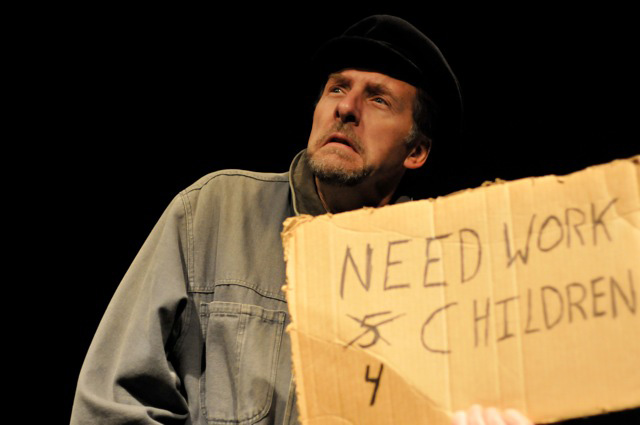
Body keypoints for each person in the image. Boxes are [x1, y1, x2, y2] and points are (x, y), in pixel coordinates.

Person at [71, 15, 533, 425]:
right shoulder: (215, 213)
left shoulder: (441, 283)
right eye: (337, 88)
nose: (345, 108)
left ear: (415, 151)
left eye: (378, 100)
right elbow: (111, 404)